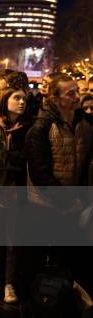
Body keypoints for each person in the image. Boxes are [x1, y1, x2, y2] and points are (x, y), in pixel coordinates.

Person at [24, 73, 91, 286]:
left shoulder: (85, 125)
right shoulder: (41, 127)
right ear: (55, 98)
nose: (76, 97)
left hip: (75, 205)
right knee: (40, 263)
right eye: (70, 93)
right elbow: (40, 173)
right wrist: (67, 202)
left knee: (68, 263)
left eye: (77, 92)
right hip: (45, 206)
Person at [0, 88, 31, 304]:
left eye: (24, 99)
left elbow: (25, 159)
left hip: (16, 192)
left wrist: (5, 159)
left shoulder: (27, 128)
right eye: (16, 98)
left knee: (12, 241)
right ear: (5, 100)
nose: (22, 102)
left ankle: (9, 283)